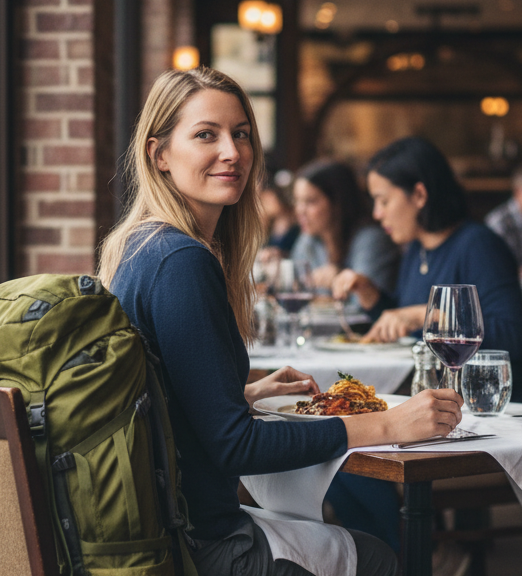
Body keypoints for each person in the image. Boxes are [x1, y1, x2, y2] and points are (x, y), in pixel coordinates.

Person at [98, 67, 463, 576]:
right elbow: (236, 447)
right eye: (206, 135)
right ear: (159, 154)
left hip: (167, 525)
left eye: (241, 134)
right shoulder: (181, 261)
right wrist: (389, 424)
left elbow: (159, 400)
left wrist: (241, 394)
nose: (232, 152)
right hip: (195, 543)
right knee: (379, 557)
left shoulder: (143, 245)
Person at [329, 136, 522, 552]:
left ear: (419, 195)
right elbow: (412, 328)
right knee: (331, 453)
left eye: (383, 200)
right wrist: (375, 298)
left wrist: (427, 314)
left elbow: (514, 337)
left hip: (481, 416)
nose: (377, 213)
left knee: (343, 455)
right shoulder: (417, 251)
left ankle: (413, 556)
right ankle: (396, 555)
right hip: (431, 406)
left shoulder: (478, 244)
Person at [290, 159, 400, 295]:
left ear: (338, 203)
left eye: (310, 201)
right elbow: (293, 290)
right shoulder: (308, 240)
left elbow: (363, 304)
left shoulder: (371, 240)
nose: (299, 210)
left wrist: (338, 278)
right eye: (297, 201)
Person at [258, 179, 300, 256]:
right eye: (264, 202)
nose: (265, 206)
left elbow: (298, 251)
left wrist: (279, 253)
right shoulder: (270, 225)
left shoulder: (295, 224)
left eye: (269, 201)